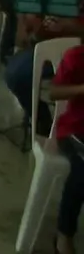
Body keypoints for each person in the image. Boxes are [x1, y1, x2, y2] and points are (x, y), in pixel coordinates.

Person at [4, 0, 84, 138]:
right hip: (54, 47)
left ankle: (71, 127)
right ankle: (42, 121)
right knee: (15, 74)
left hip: (78, 55)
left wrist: (69, 27)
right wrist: (34, 23)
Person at [48, 45, 84, 254]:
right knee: (81, 168)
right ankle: (64, 234)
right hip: (74, 129)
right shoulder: (76, 56)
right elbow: (54, 91)